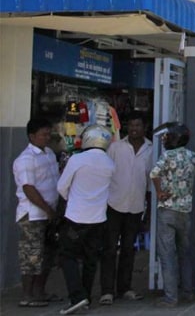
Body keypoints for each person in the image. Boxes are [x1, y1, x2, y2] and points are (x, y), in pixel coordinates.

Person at [57, 125, 116, 314]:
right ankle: (86, 297)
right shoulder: (109, 163)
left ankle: (77, 296)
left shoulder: (77, 159)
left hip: (76, 216)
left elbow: (61, 186)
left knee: (68, 256)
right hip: (98, 218)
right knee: (91, 259)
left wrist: (71, 198)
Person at [100, 115, 152, 305]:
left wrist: (149, 212)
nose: (134, 128)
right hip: (114, 204)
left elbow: (150, 182)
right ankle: (107, 291)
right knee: (110, 249)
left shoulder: (150, 149)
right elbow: (106, 174)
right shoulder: (115, 148)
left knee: (129, 249)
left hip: (136, 206)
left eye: (137, 124)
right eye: (131, 125)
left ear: (144, 127)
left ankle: (124, 288)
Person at [149, 122, 195, 308]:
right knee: (184, 253)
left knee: (167, 254)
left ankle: (171, 297)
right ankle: (187, 292)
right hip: (185, 210)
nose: (164, 139)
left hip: (168, 210)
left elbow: (154, 174)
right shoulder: (193, 157)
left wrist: (159, 192)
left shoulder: (168, 155)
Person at [13, 117, 61, 308]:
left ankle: (40, 292)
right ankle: (27, 295)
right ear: (32, 136)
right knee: (31, 255)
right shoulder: (25, 159)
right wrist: (47, 209)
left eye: (49, 134)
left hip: (49, 214)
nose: (47, 138)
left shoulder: (49, 153)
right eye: (43, 135)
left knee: (47, 255)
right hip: (32, 215)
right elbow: (29, 189)